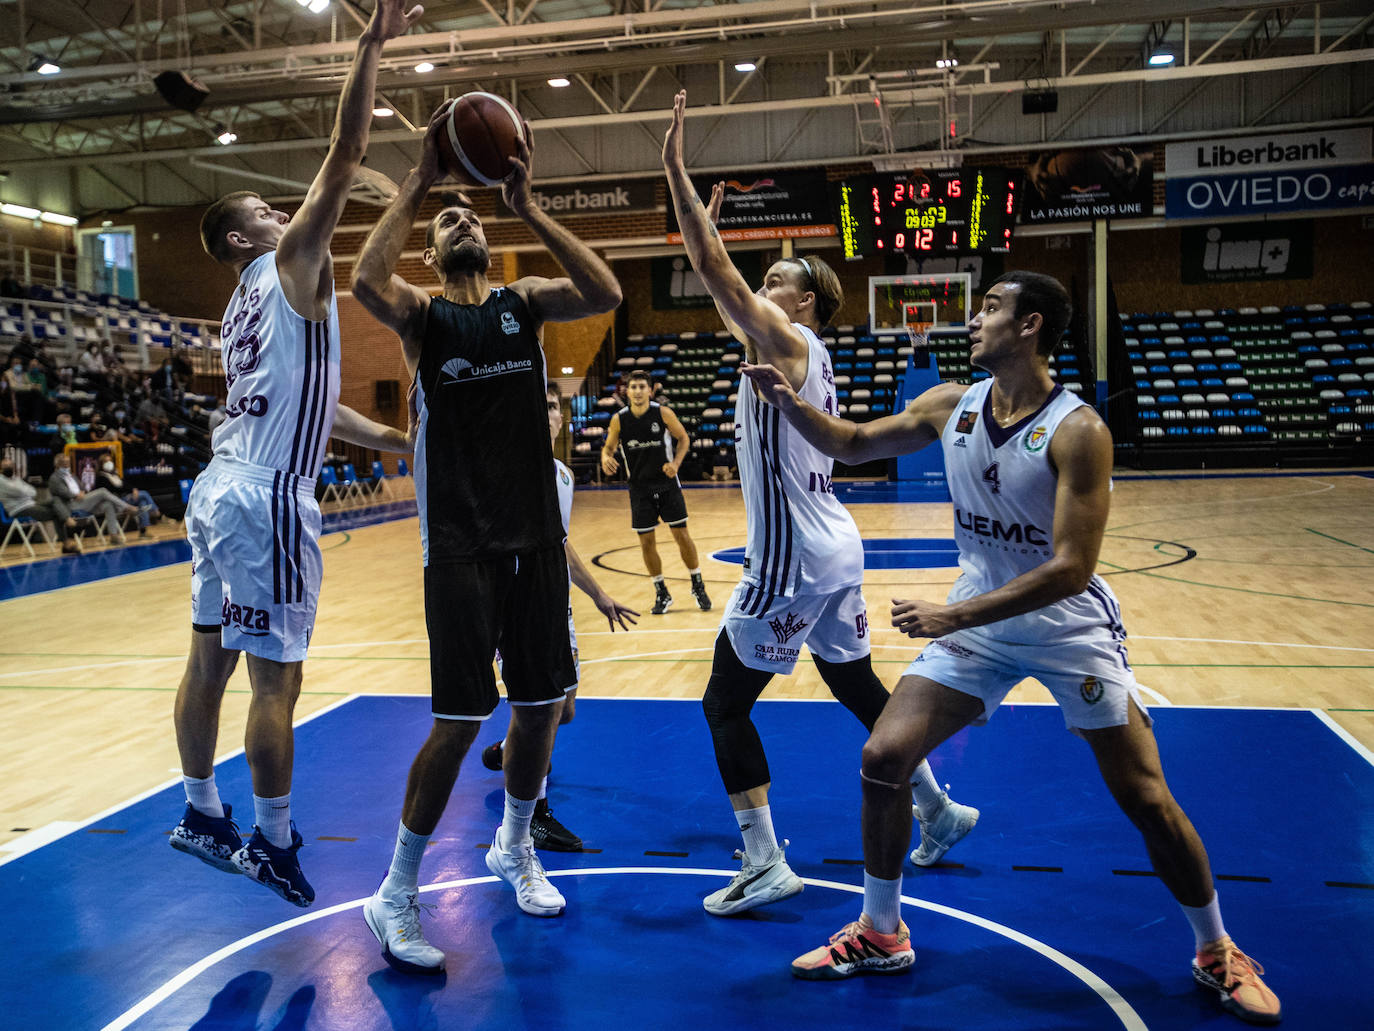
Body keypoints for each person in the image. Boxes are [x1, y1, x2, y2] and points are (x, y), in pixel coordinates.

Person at [742, 271, 1281, 1025]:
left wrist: (951, 614)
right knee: (884, 757)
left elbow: (1070, 568)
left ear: (1029, 326)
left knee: (1146, 799)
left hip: (1068, 628)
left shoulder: (1077, 429)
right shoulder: (950, 405)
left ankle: (1217, 948)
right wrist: (790, 403)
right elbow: (854, 442)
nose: (974, 317)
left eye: (991, 306)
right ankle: (881, 930)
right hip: (980, 623)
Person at [661, 90, 975, 920]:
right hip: (835, 541)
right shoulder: (808, 349)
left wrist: (678, 182)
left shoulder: (791, 342)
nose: (761, 291)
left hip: (792, 555)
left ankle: (763, 860)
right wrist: (711, 233)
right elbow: (726, 283)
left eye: (776, 283)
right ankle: (939, 810)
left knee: (724, 703)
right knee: (851, 681)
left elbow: (715, 277)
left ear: (802, 304)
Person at [349, 100, 622, 974]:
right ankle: (394, 891)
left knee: (540, 705)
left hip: (535, 539)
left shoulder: (526, 304)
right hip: (460, 545)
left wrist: (528, 205)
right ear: (432, 254)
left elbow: (608, 294)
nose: (461, 220)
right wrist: (424, 180)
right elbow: (362, 281)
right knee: (461, 720)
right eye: (447, 221)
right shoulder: (423, 318)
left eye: (469, 214)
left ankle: (512, 844)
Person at [166, 0, 424, 910]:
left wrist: (397, 438)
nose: (288, 213)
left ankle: (201, 809)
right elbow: (345, 159)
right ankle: (271, 841)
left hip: (221, 485)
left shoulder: (244, 304)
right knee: (278, 676)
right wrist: (370, 44)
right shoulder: (287, 265)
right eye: (270, 211)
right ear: (247, 237)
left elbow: (312, 409)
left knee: (209, 661)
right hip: (267, 494)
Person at [481, 382, 639, 851]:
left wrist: (599, 594)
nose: (549, 412)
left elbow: (560, 543)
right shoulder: (509, 466)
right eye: (540, 404)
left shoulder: (562, 475)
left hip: (556, 602)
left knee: (564, 709)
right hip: (519, 605)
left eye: (554, 406)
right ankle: (534, 815)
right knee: (542, 709)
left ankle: (511, 753)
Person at [599, 368, 711, 614]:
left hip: (667, 485)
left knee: (682, 535)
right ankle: (661, 592)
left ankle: (697, 584)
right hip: (639, 488)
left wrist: (676, 465)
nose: (638, 391)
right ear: (626, 391)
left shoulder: (662, 413)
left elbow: (683, 439)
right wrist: (605, 458)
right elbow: (608, 448)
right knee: (646, 542)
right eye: (633, 387)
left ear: (650, 391)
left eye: (642, 387)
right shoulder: (619, 419)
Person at [47, 450, 138, 541]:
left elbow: (82, 486)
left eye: (68, 462)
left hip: (83, 502)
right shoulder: (54, 478)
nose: (67, 465)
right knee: (102, 491)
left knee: (108, 504)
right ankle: (127, 507)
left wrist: (82, 491)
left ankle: (113, 535)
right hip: (71, 505)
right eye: (64, 463)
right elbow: (63, 492)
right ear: (57, 465)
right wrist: (75, 495)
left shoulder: (71, 475)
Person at [0, 456, 79, 552]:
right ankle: (67, 540)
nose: (8, 467)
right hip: (18, 509)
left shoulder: (16, 479)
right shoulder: (1, 481)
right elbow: (17, 491)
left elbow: (33, 491)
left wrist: (23, 491)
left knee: (55, 499)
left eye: (10, 465)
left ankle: (67, 521)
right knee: (57, 513)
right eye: (5, 466)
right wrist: (23, 491)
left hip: (31, 504)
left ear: (14, 467)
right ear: (1, 468)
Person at [95, 454, 160, 536]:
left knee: (142, 502)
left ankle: (143, 531)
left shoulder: (115, 475)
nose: (109, 463)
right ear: (101, 464)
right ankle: (155, 511)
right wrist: (130, 490)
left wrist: (133, 489)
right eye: (106, 461)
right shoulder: (101, 477)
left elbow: (125, 484)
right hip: (116, 503)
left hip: (124, 498)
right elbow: (115, 489)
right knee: (144, 493)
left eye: (110, 461)